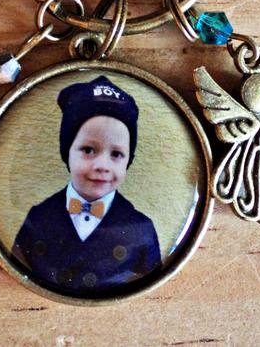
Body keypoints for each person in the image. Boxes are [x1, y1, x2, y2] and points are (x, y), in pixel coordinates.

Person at [12, 75, 161, 294]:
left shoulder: (141, 229)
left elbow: (151, 289)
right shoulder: (38, 217)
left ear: (128, 160)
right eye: (88, 150)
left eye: (116, 154)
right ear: (67, 152)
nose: (102, 166)